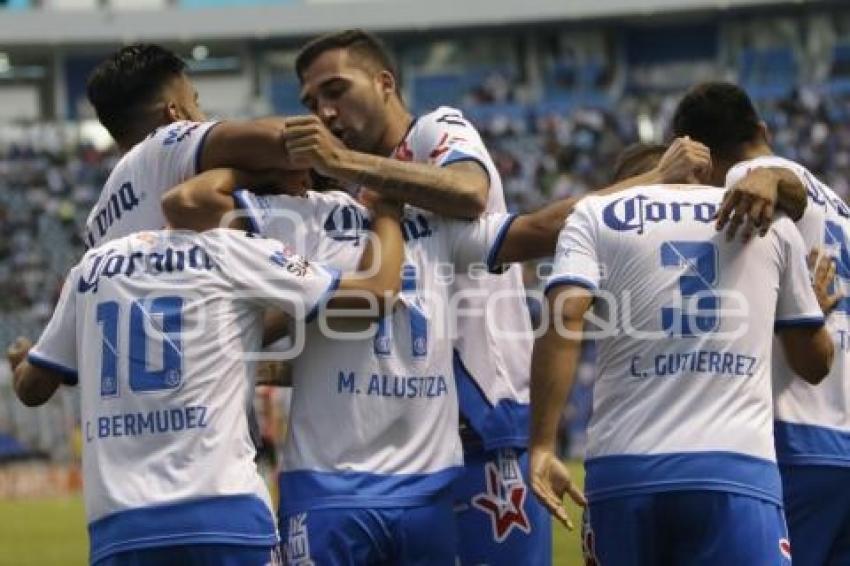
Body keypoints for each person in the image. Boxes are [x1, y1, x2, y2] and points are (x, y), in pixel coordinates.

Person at [281, 29, 735, 564]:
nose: (325, 112)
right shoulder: (361, 203)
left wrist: (341, 163)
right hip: (417, 445)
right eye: (312, 103)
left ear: (384, 83)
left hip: (486, 428)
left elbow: (473, 194)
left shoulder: (434, 131)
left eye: (335, 90)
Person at [7, 188, 404, 566]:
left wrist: (20, 360)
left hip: (120, 523)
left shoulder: (92, 267)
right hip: (224, 511)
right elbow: (375, 294)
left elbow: (32, 388)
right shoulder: (233, 250)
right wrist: (388, 212)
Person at [529, 172, 834, 564]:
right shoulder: (772, 224)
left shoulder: (594, 214)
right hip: (736, 469)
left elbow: (563, 315)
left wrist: (541, 445)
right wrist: (809, 313)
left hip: (625, 470)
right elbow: (815, 365)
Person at [672, 81, 850, 566]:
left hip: (795, 436)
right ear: (762, 128)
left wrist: (766, 176)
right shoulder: (835, 201)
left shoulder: (750, 180)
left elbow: (775, 185)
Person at [82, 43, 308, 249]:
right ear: (175, 113)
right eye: (195, 103)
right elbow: (284, 139)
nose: (202, 117)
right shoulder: (163, 143)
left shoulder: (95, 223)